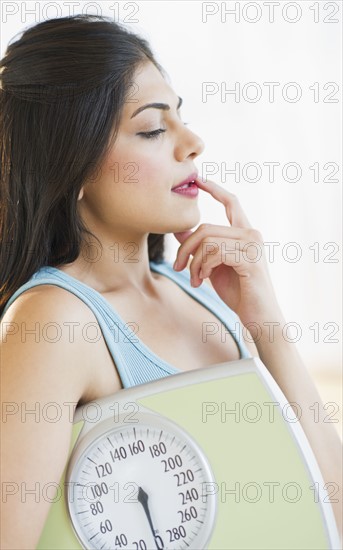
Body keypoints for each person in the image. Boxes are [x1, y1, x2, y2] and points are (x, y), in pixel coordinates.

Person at [0, 14, 341, 549]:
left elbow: (330, 511)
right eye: (153, 129)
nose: (193, 143)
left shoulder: (201, 291)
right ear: (74, 163)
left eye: (181, 117)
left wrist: (265, 320)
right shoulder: (54, 323)